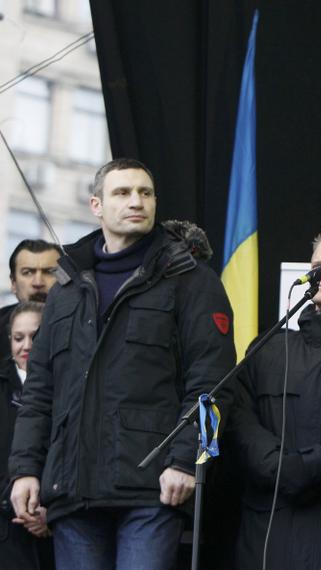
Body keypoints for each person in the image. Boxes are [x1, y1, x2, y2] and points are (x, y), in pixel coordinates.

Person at [8, 158, 236, 569]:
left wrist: (187, 459)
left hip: (153, 488)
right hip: (72, 487)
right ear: (96, 205)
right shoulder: (67, 285)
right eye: (123, 192)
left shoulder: (190, 278)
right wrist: (25, 469)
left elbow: (213, 383)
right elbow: (40, 389)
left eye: (145, 193)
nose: (137, 201)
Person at [227, 225, 321, 569]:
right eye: (316, 265)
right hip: (267, 520)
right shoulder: (270, 346)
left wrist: (305, 467)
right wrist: (280, 470)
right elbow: (239, 418)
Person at [1, 302, 51, 569]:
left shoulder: (69, 386)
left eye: (36, 336)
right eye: (19, 338)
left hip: (56, 524)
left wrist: (49, 512)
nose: (27, 346)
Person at [0, 240, 61, 362]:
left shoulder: (85, 326)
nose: (38, 282)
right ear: (13, 283)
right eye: (27, 272)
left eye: (49, 272)